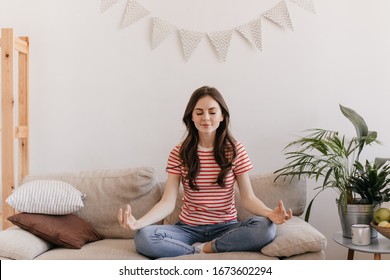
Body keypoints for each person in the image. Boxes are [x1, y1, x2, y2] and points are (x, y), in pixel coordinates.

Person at [118, 86, 292, 258]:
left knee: (265, 228)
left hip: (226, 227)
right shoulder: (179, 153)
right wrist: (139, 223)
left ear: (222, 116)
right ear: (191, 117)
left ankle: (209, 248)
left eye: (212, 112)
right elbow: (167, 202)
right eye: (199, 112)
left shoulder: (235, 150)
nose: (206, 118)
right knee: (143, 237)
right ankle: (196, 250)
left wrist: (270, 213)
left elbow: (248, 198)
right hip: (187, 229)